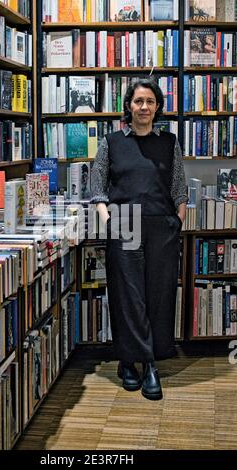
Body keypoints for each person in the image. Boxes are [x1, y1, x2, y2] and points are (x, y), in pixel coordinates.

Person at [90, 78, 188, 400]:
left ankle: (136, 361)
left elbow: (179, 189)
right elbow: (98, 188)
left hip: (162, 224)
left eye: (149, 101)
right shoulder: (112, 141)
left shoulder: (169, 142)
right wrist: (110, 221)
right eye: (138, 101)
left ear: (157, 106)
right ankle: (144, 365)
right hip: (125, 223)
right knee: (128, 295)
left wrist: (177, 220)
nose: (143, 107)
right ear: (128, 106)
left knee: (158, 295)